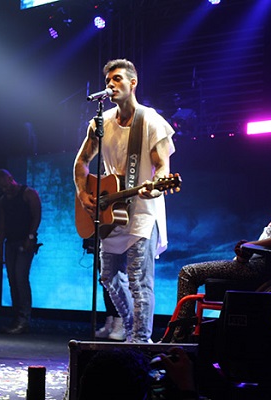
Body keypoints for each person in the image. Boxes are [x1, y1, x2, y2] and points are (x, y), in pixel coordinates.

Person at [175, 140, 271, 334]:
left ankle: (179, 338)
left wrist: (250, 245)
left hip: (264, 268)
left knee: (188, 273)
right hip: (261, 261)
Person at [73, 59, 176, 343]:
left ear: (133, 83)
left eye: (117, 79)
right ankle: (131, 329)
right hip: (112, 211)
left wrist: (155, 188)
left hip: (142, 211)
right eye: (108, 80)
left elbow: (163, 167)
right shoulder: (101, 123)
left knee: (139, 282)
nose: (110, 84)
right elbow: (82, 162)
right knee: (107, 277)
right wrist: (83, 193)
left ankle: (140, 343)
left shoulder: (151, 121)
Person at [0, 169, 42, 334]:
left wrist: (30, 237)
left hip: (25, 242)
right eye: (1, 187)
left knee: (21, 278)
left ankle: (24, 318)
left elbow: (36, 216)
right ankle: (17, 317)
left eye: (5, 185)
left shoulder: (28, 194)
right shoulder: (3, 200)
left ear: (11, 178)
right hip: (11, 242)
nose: (4, 189)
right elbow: (2, 223)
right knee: (13, 280)